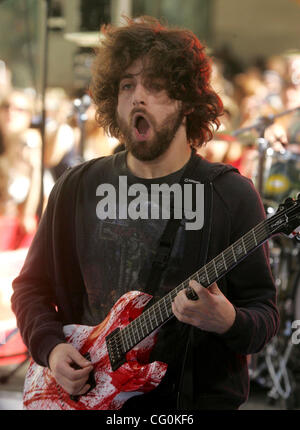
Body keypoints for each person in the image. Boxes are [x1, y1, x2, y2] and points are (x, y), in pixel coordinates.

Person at [11, 16, 279, 410]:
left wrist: (228, 321)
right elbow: (31, 289)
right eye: (127, 85)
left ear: (187, 101)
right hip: (85, 398)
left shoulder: (228, 195)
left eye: (154, 86)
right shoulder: (76, 187)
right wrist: (51, 349)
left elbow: (265, 315)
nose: (138, 97)